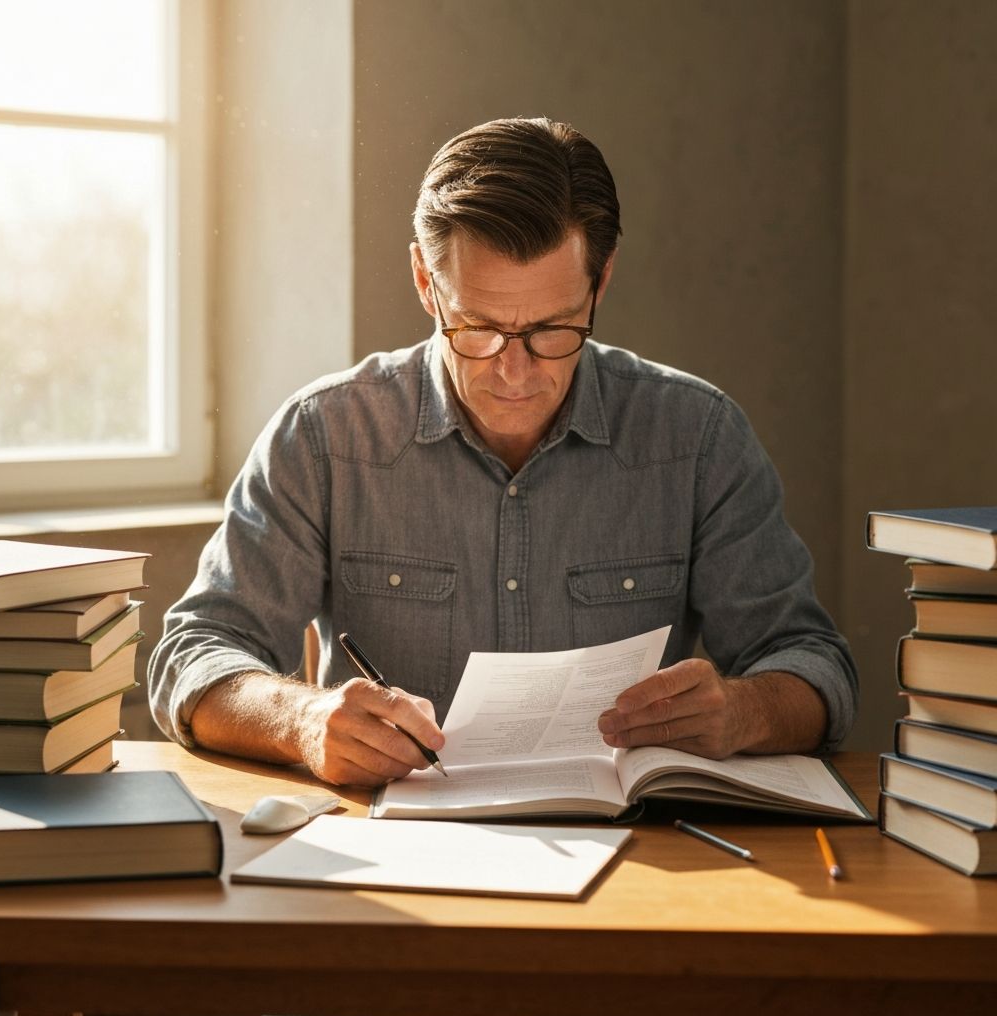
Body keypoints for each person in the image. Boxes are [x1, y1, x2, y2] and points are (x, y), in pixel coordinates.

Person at [148, 116, 857, 788]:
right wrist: (302, 719)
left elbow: (815, 666)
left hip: (642, 854)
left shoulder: (697, 438)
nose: (515, 372)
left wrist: (740, 712)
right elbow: (193, 654)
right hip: (402, 849)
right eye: (479, 328)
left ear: (600, 283)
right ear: (427, 283)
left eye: (553, 331)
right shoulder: (327, 436)